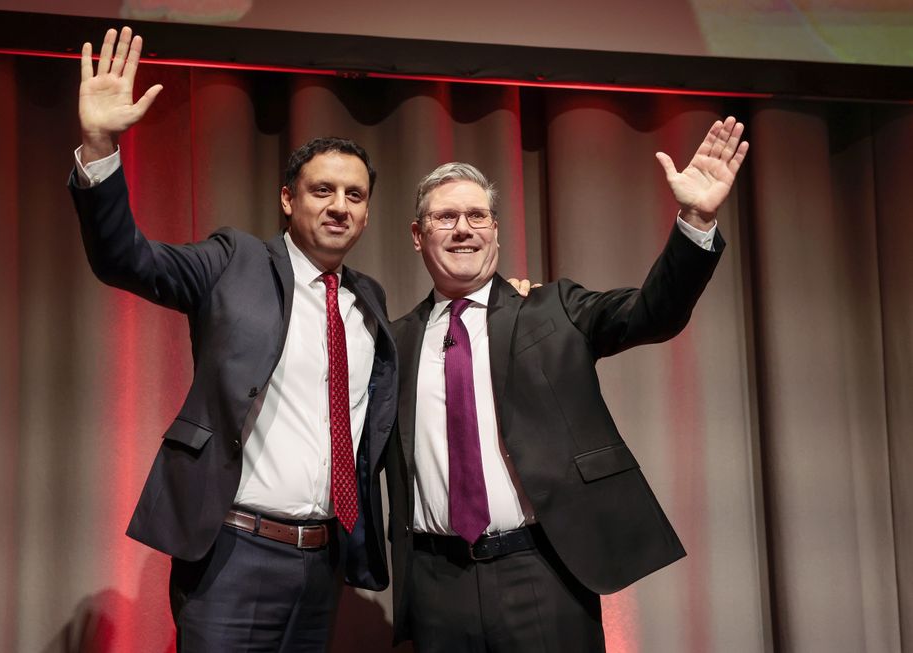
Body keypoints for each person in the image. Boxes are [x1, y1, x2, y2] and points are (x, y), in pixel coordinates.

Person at [69, 27, 397, 651]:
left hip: (323, 563)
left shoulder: (369, 301)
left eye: (355, 195)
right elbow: (126, 259)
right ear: (287, 199)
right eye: (322, 190)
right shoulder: (233, 260)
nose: (339, 206)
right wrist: (100, 146)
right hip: (232, 554)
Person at [386, 117, 748, 651]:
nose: (464, 228)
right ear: (418, 236)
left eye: (477, 216)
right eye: (445, 217)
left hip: (542, 571)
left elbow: (653, 313)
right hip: (436, 582)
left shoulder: (553, 308)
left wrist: (696, 220)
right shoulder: (391, 344)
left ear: (496, 231)